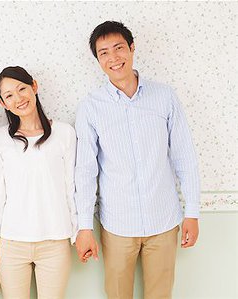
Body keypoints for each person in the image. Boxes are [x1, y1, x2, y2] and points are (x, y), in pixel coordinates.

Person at [74, 21, 200, 299]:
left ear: (132, 48)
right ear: (98, 60)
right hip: (117, 224)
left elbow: (185, 156)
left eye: (119, 48)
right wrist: (84, 227)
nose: (113, 58)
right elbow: (84, 171)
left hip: (164, 221)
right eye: (104, 52)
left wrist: (192, 211)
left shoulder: (165, 96)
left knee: (160, 295)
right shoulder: (90, 107)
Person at [0, 66, 77, 299]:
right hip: (11, 243)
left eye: (22, 89)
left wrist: (79, 232)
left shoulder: (65, 133)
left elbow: (71, 188)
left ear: (34, 86)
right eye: (9, 96)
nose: (18, 98)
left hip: (55, 240)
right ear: (3, 103)